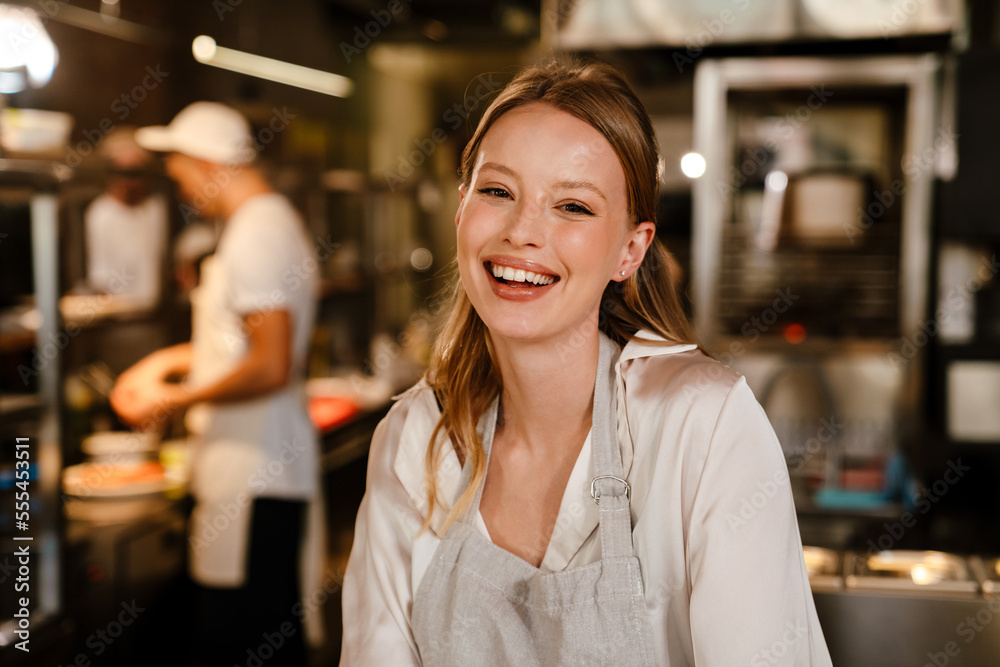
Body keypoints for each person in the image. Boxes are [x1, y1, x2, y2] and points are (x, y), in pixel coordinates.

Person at [340, 62, 833, 666]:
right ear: (462, 210)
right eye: (498, 192)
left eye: (572, 206)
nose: (524, 231)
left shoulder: (701, 427)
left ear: (631, 249)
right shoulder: (414, 441)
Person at [109, 102, 320, 666]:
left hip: (254, 480)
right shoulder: (262, 223)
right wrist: (167, 364)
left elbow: (270, 363)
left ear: (207, 164)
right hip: (255, 475)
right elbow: (241, 346)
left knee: (247, 643)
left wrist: (173, 397)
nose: (181, 190)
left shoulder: (256, 233)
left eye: (180, 174)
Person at [84, 127, 168, 310]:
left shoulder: (156, 208)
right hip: (118, 316)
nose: (129, 183)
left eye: (135, 173)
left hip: (154, 314)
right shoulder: (100, 214)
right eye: (122, 172)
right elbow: (99, 277)